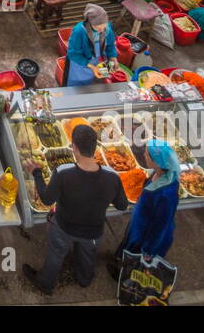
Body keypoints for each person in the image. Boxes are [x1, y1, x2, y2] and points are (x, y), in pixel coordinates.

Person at [22, 124, 129, 294]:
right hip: (93, 232)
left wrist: (37, 173)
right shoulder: (112, 176)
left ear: (74, 148)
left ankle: (45, 282)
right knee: (87, 256)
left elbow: (47, 198)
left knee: (56, 254)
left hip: (64, 227)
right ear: (95, 147)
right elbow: (122, 205)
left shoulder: (63, 173)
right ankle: (84, 280)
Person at [112, 137, 180, 270]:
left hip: (146, 234)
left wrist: (148, 250)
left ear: (157, 162)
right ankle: (123, 265)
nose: (144, 155)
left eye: (147, 154)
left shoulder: (166, 195)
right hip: (139, 225)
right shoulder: (159, 173)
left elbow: (160, 226)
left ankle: (127, 277)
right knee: (128, 249)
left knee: (137, 262)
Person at [62, 4, 117, 85]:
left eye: (104, 27)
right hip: (78, 65)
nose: (102, 31)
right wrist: (92, 67)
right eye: (98, 29)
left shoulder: (106, 27)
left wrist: (113, 57)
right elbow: (73, 54)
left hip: (94, 60)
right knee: (74, 88)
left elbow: (110, 45)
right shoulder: (79, 31)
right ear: (90, 24)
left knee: (87, 84)